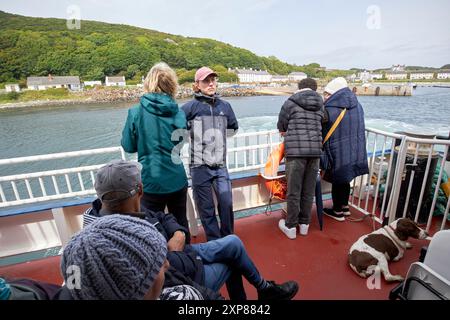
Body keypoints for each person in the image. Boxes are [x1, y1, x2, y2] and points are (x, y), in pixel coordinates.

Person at [84, 160, 299, 300]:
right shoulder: (118, 240)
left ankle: (265, 290)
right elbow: (166, 280)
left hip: (187, 255)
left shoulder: (124, 209)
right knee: (234, 263)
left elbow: (163, 217)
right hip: (186, 274)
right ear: (140, 190)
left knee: (233, 242)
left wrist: (179, 233)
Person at [121, 62, 190, 237]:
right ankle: (188, 261)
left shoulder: (135, 112)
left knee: (152, 230)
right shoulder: (180, 113)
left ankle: (160, 261)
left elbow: (128, 146)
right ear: (172, 84)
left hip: (150, 183)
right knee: (181, 225)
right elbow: (180, 142)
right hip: (177, 178)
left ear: (149, 82)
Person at [181, 67, 239, 241]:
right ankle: (214, 241)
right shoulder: (189, 107)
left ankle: (228, 238)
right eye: (206, 81)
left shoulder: (225, 106)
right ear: (197, 85)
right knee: (206, 208)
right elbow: (177, 129)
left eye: (213, 80)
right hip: (199, 165)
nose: (211, 83)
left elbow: (233, 127)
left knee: (226, 203)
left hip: (220, 164)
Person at [277, 78, 325, 239]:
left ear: (299, 88)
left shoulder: (290, 103)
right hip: (315, 152)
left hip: (296, 153)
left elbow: (281, 125)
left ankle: (291, 226)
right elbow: (323, 120)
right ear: (314, 89)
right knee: (308, 190)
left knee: (294, 191)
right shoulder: (321, 103)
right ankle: (304, 224)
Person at [321, 77, 369, 221]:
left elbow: (322, 127)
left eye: (327, 94)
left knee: (338, 179)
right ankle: (345, 207)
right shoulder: (357, 105)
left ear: (335, 93)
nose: (325, 96)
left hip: (337, 149)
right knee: (346, 177)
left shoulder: (329, 108)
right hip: (353, 148)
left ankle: (337, 212)